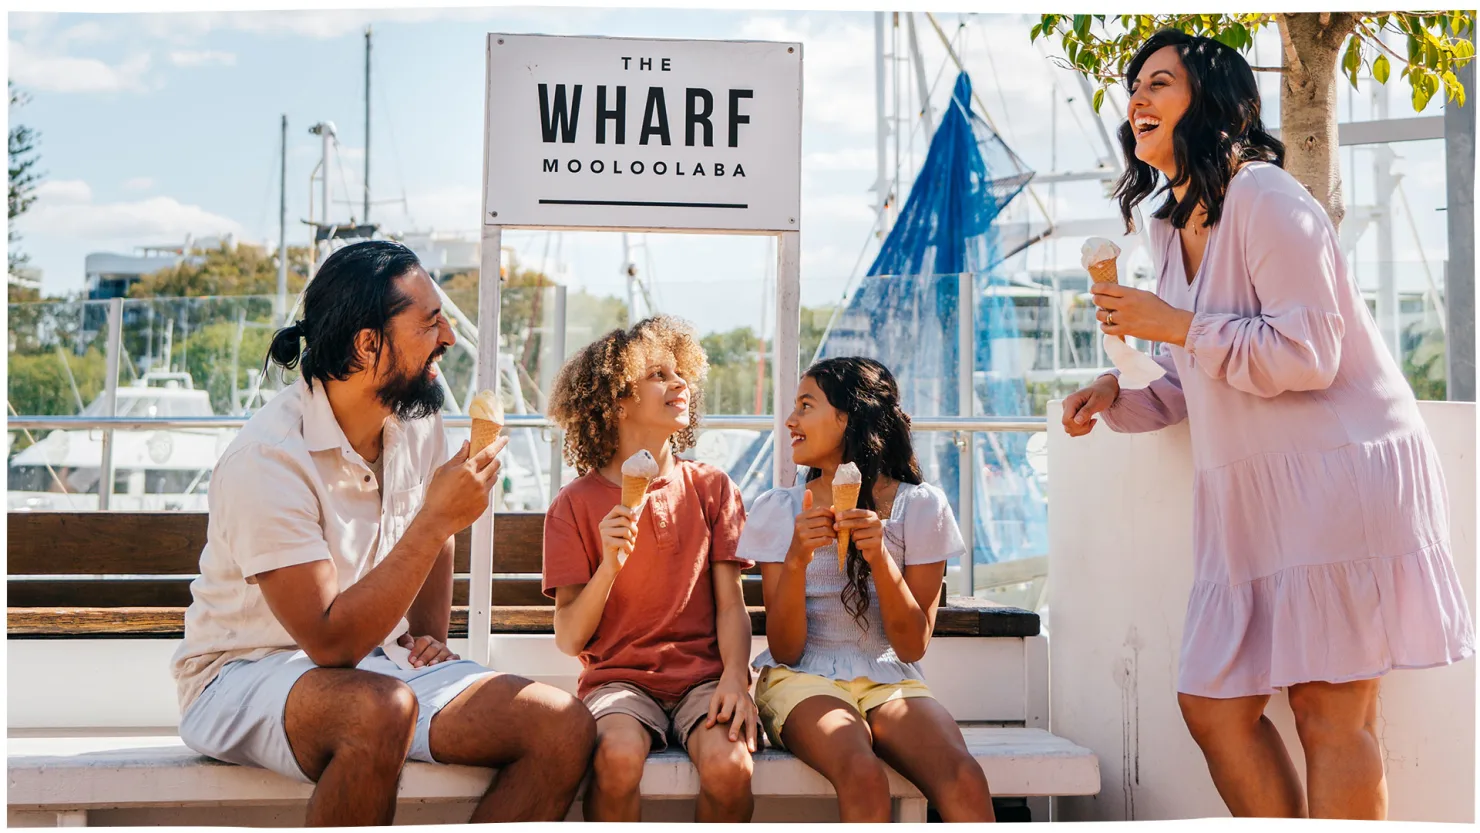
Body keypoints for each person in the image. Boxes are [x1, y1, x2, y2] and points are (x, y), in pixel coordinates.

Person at [1062, 30, 1475, 820]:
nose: (1137, 100)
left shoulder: (1269, 198)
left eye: (1160, 83)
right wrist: (1118, 391)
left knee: (1331, 712)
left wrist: (1174, 325)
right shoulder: (1166, 224)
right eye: (1134, 86)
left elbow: (1307, 353)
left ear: (1212, 104)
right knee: (1213, 706)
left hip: (1338, 476)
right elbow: (1197, 379)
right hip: (1252, 503)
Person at [170, 241, 596, 826]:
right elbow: (327, 642)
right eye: (430, 323)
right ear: (368, 343)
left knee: (562, 726)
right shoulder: (268, 459)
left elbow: (435, 545)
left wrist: (428, 637)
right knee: (378, 711)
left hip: (380, 663)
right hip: (243, 674)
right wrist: (438, 517)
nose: (448, 337)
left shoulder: (418, 424)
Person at [738, 357, 995, 823]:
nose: (791, 421)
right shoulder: (778, 509)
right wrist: (796, 559)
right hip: (802, 678)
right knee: (862, 773)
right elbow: (786, 648)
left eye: (805, 405)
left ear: (849, 418)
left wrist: (879, 559)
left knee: (963, 777)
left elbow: (912, 643)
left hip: (890, 676)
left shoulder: (921, 507)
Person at [542, 316, 757, 822]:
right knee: (614, 759)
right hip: (617, 683)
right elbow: (571, 638)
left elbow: (732, 606)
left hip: (705, 678)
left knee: (731, 768)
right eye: (659, 375)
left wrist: (735, 679)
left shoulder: (713, 487)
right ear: (617, 399)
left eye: (681, 373)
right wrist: (609, 567)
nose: (680, 384)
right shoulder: (572, 505)